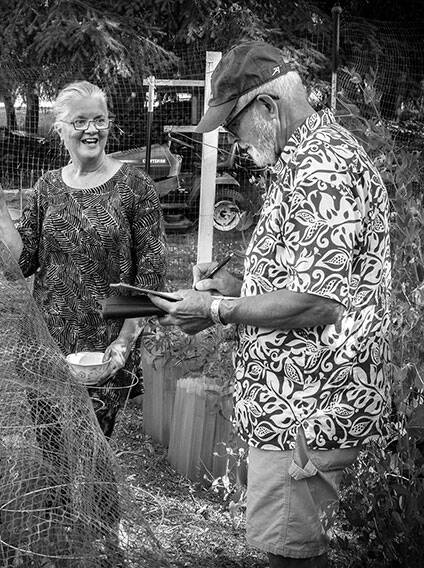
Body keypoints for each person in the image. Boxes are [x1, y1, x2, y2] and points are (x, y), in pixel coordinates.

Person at [149, 42, 391, 568]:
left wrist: (213, 312)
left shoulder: (322, 169)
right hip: (297, 408)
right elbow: (296, 271)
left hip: (310, 410)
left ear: (267, 107)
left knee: (287, 556)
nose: (234, 142)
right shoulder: (301, 159)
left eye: (233, 125)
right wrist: (231, 283)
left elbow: (317, 301)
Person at [0, 80, 167, 437]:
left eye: (100, 120)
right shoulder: (47, 187)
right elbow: (22, 262)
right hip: (46, 343)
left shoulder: (135, 186)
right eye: (80, 122)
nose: (92, 130)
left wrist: (124, 341)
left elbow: (151, 276)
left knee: (93, 453)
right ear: (60, 130)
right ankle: (56, 496)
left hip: (103, 350)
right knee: (51, 448)